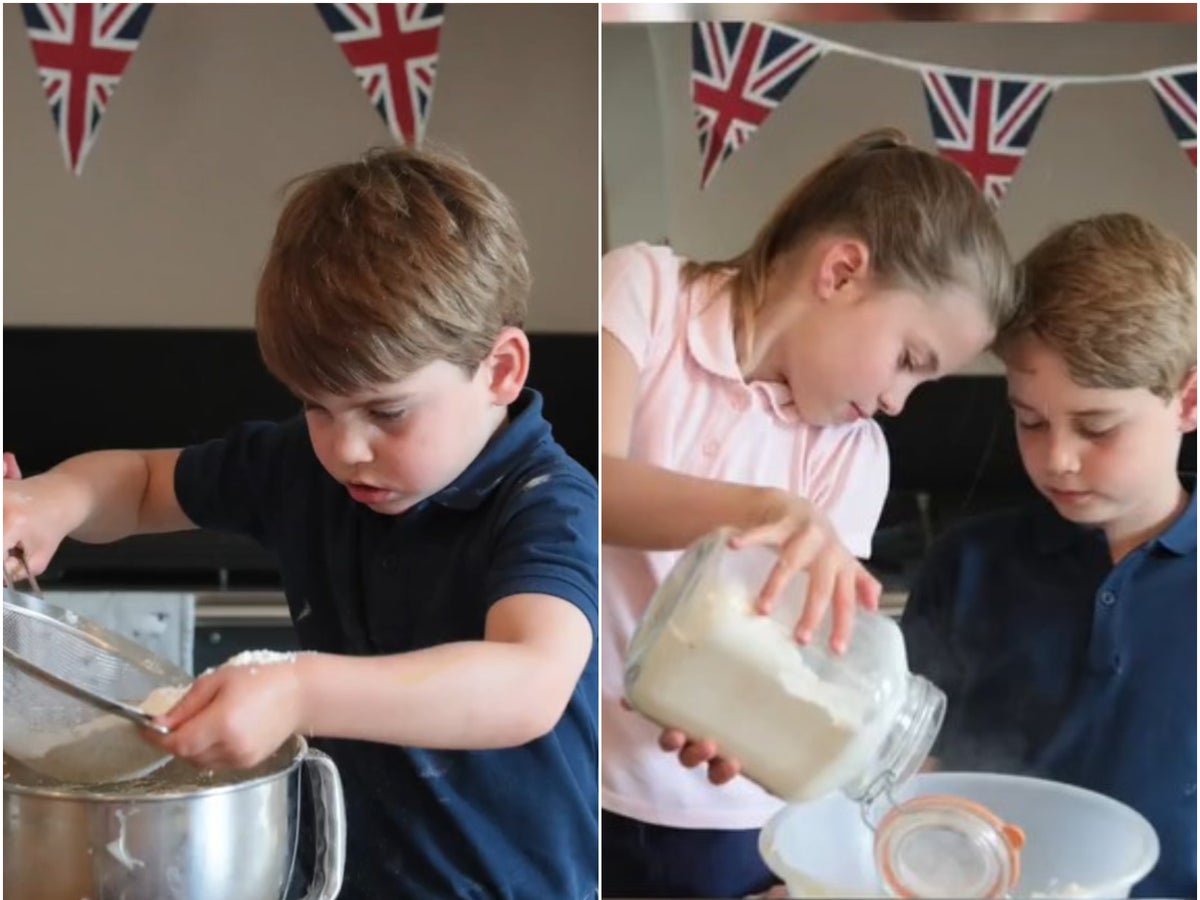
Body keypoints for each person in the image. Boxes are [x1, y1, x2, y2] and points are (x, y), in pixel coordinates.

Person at [2, 146, 599, 899]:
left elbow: (529, 682)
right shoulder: (301, 468)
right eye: (317, 406)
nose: (347, 449)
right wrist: (53, 501)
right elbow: (145, 480)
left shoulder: (547, 503)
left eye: (387, 412)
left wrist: (300, 690)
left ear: (501, 370)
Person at [601, 126, 1016, 898]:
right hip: (575, 778)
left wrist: (736, 718)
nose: (897, 401)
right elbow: (584, 491)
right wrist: (764, 509)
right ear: (843, 271)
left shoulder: (853, 454)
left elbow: (807, 653)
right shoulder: (645, 294)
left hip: (728, 829)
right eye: (909, 360)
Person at [901, 213, 1196, 898]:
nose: (1057, 458)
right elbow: (902, 769)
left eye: (1097, 427)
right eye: (1029, 420)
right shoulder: (968, 567)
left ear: (1188, 400)